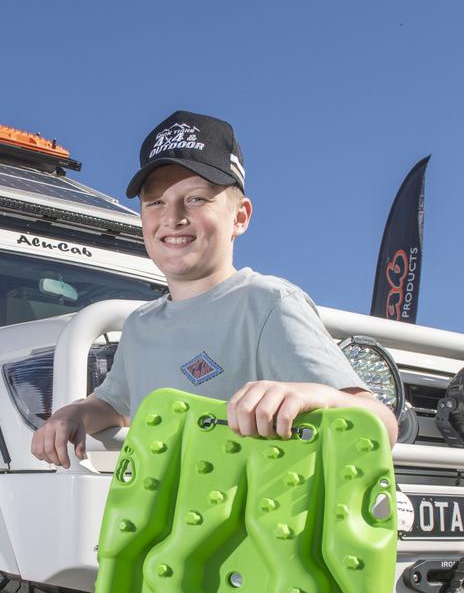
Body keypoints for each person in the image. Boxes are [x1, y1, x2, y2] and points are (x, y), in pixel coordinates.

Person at [31, 111, 398, 468]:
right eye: (155, 202)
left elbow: (380, 422)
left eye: (196, 198)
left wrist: (316, 396)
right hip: (161, 528)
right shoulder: (141, 325)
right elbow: (115, 406)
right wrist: (75, 413)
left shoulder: (267, 304)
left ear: (240, 217)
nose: (173, 217)